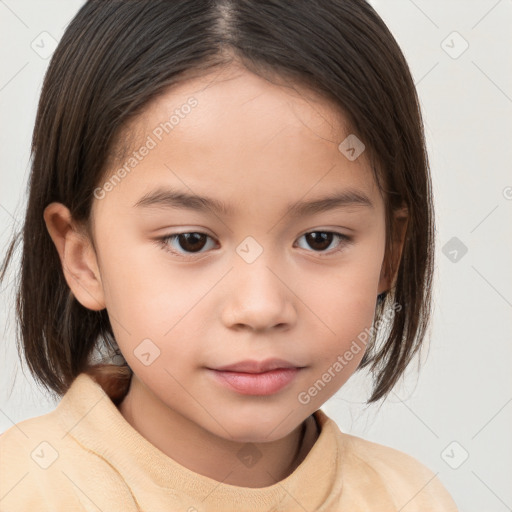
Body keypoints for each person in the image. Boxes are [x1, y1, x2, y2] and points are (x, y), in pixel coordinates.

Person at [0, 0, 458, 510]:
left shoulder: (409, 497)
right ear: (83, 258)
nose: (260, 308)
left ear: (390, 254)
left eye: (320, 239)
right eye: (191, 240)